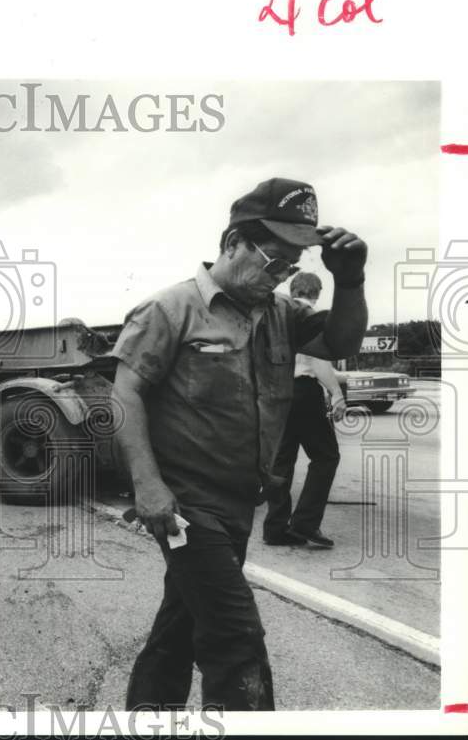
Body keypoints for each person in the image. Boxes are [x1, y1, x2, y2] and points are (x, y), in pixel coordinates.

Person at [111, 177, 367, 711]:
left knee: (181, 626)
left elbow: (341, 342)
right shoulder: (171, 309)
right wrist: (148, 486)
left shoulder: (281, 314)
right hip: (185, 507)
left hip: (240, 502)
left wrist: (350, 281)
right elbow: (125, 394)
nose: (282, 273)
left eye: (292, 265)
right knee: (236, 634)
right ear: (233, 243)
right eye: (275, 260)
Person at [263, 272, 346, 548]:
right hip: (303, 392)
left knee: (281, 461)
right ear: (317, 293)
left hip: (277, 392)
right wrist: (336, 393)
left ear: (293, 289)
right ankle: (305, 524)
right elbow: (318, 360)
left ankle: (275, 528)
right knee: (326, 456)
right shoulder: (311, 317)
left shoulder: (278, 317)